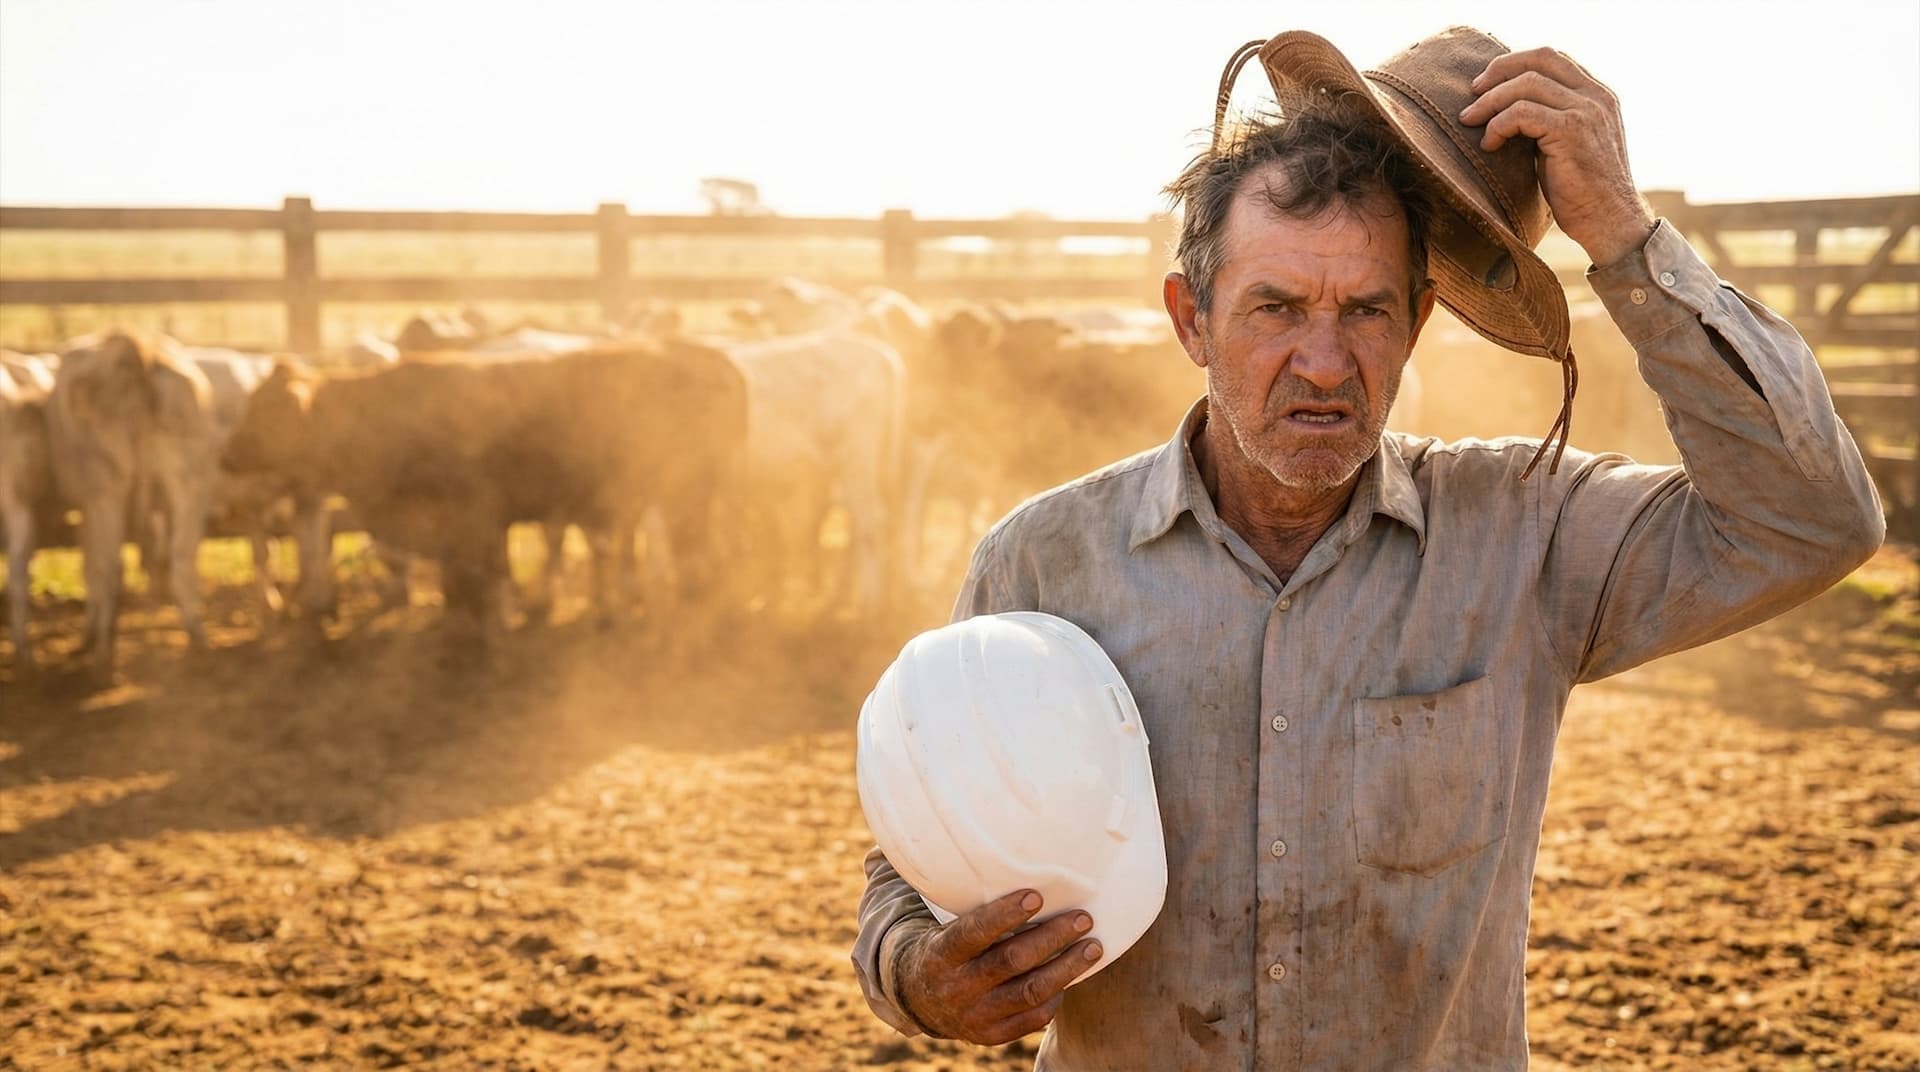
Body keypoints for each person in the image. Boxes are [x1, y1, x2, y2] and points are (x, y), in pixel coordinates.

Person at [851, 26, 1884, 1070]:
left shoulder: (1524, 530)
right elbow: (919, 839)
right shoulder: (1045, 563)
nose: (1324, 360)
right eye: (1276, 307)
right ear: (1191, 319)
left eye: (1365, 310)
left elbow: (1814, 519)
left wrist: (1623, 236)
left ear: (1418, 322)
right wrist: (917, 971)